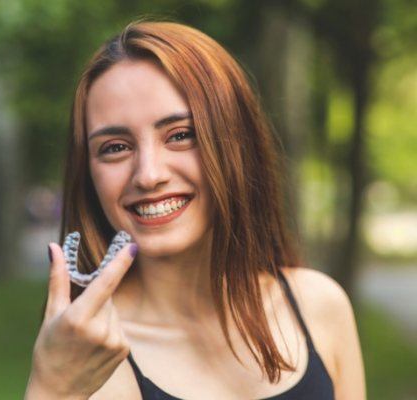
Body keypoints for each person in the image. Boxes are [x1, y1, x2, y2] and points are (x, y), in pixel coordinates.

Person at [25, 20, 366, 400]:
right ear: (87, 175)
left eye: (181, 135)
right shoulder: (94, 358)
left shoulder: (320, 305)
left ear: (239, 144)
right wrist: (52, 388)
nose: (149, 175)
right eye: (116, 147)